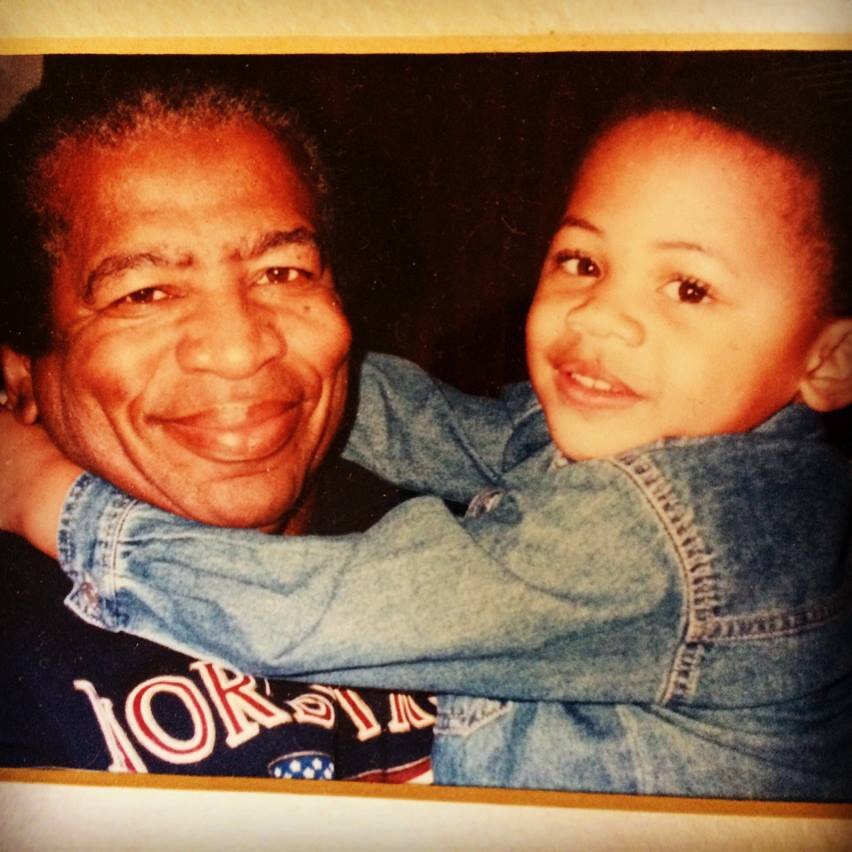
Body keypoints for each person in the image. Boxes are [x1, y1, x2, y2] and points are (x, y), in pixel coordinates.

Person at [4, 80, 852, 800]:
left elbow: (307, 615)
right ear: (17, 372)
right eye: (582, 263)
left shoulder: (677, 533)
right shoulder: (636, 434)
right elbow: (451, 426)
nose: (242, 348)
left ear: (830, 360)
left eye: (691, 288)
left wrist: (44, 494)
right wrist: (284, 384)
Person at [0, 74, 435, 782]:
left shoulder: (474, 545)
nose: (240, 348)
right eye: (145, 293)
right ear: (21, 372)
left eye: (283, 272)